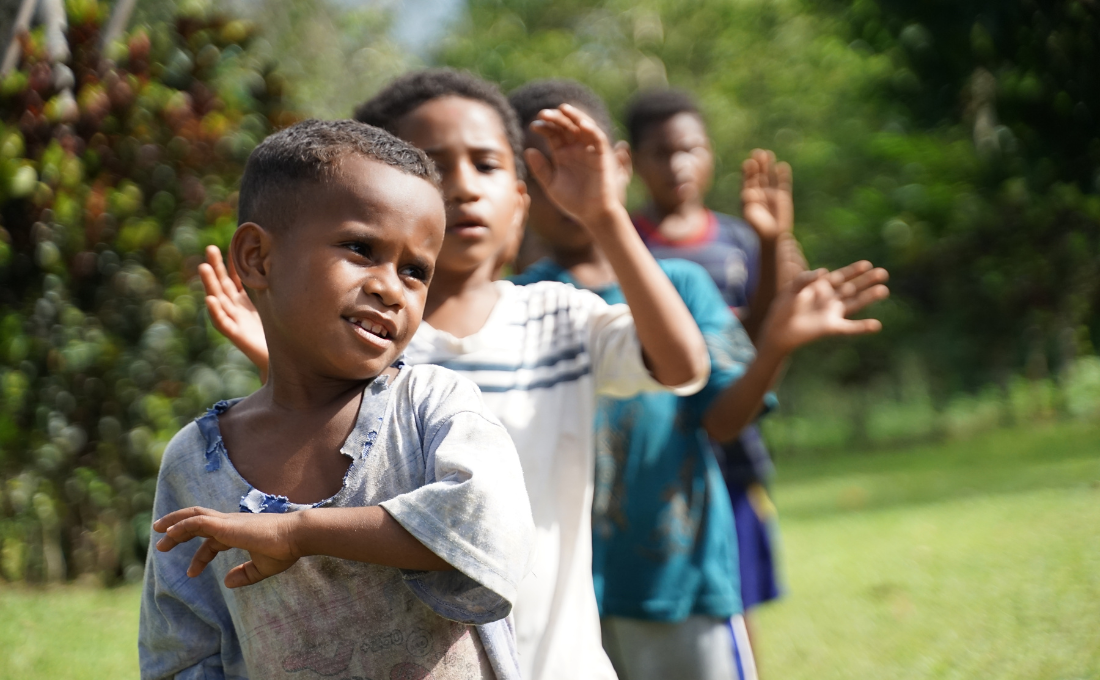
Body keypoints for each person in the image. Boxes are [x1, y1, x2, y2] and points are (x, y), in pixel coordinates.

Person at [198, 68, 711, 680]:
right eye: (435, 169)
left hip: (561, 662)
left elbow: (682, 365)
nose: (463, 187)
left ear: (521, 200)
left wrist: (604, 215)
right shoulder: (369, 348)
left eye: (487, 164)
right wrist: (283, 356)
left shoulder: (558, 316)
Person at [509, 80, 889, 680]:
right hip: (555, 600)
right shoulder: (513, 306)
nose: (565, 184)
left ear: (619, 164)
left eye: (581, 159)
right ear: (516, 187)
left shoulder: (682, 285)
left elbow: (723, 419)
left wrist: (775, 348)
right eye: (539, 167)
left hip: (676, 582)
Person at [139, 119, 537, 680]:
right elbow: (183, 650)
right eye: (360, 248)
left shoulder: (433, 408)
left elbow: (483, 527)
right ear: (256, 258)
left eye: (415, 271)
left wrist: (298, 533)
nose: (390, 288)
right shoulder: (195, 462)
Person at [626, 88, 797, 624]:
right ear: (633, 162)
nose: (679, 164)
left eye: (691, 148)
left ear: (710, 154)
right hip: (653, 445)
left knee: (736, 598)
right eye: (662, 152)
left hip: (732, 440)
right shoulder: (624, 243)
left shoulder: (739, 238)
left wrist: (773, 244)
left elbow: (753, 331)